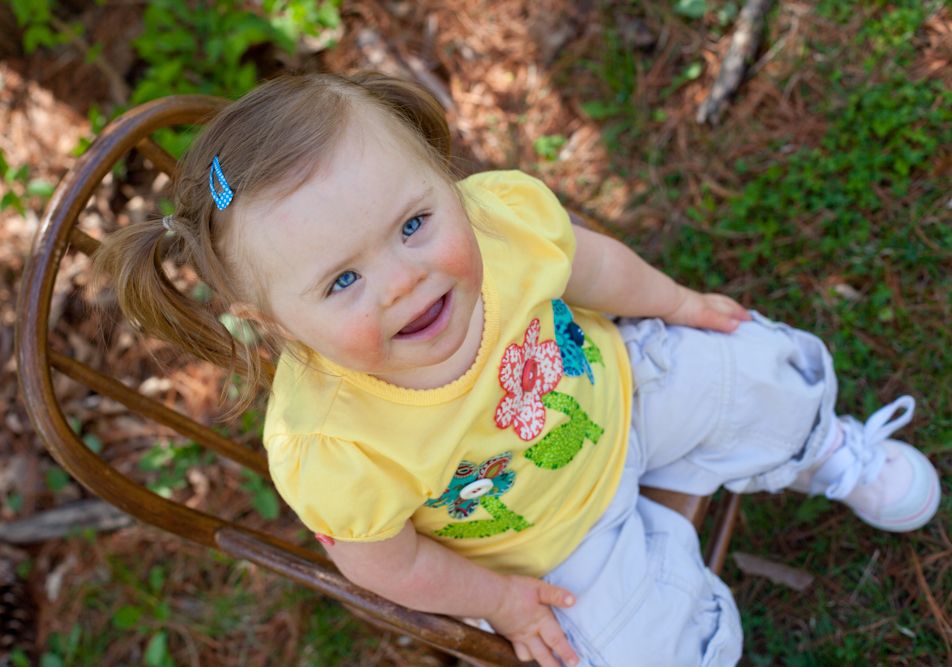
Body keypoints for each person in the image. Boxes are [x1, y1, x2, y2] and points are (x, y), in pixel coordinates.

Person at [92, 72, 941, 666]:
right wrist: (498, 603)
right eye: (343, 281)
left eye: (414, 223)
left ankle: (820, 449)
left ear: (441, 178)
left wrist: (677, 302)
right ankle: (660, 543)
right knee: (644, 653)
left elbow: (588, 268)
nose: (404, 280)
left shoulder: (495, 222)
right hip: (542, 545)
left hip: (623, 386)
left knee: (757, 373)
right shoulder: (331, 442)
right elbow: (382, 559)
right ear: (273, 325)